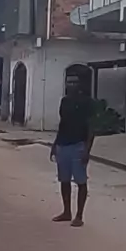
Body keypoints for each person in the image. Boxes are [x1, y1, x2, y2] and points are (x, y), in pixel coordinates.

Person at [50, 76, 95, 228]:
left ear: (79, 84)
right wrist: (55, 144)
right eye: (69, 82)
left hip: (78, 145)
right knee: (64, 180)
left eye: (75, 82)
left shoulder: (87, 102)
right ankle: (66, 212)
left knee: (81, 181)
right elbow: (62, 123)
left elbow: (91, 127)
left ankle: (79, 215)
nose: (72, 84)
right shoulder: (65, 101)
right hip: (63, 144)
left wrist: (87, 149)